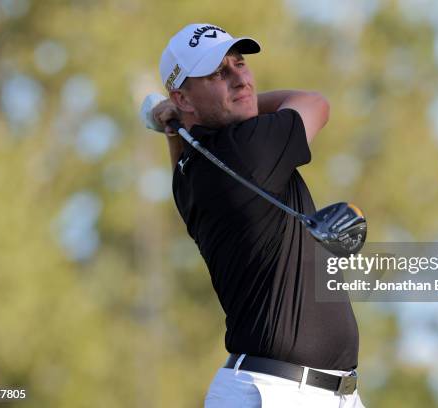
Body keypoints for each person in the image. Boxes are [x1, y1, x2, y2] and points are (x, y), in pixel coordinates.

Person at [151, 23, 365, 408]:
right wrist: (192, 118)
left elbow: (187, 150)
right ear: (183, 97)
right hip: (275, 393)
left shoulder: (191, 175)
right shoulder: (249, 150)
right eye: (218, 73)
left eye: (240, 64)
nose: (240, 79)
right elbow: (315, 103)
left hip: (307, 392)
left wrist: (179, 122)